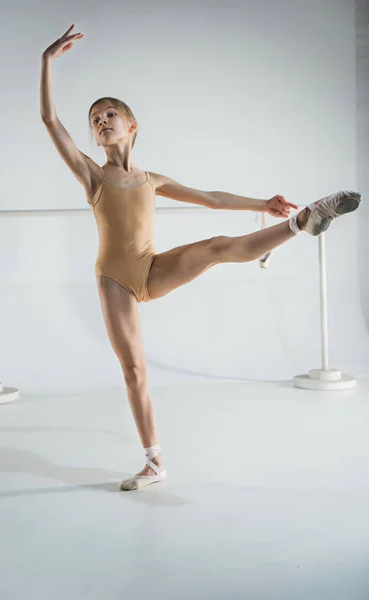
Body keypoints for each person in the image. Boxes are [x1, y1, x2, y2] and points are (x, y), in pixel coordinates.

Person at [40, 25, 362, 491]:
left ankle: (302, 221)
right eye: (94, 119)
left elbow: (210, 196)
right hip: (114, 278)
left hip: (153, 267)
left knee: (215, 247)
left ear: (132, 126)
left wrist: (263, 204)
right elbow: (51, 122)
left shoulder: (151, 179)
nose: (100, 121)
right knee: (134, 370)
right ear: (93, 137)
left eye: (109, 113)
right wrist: (48, 61)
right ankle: (154, 462)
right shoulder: (93, 176)